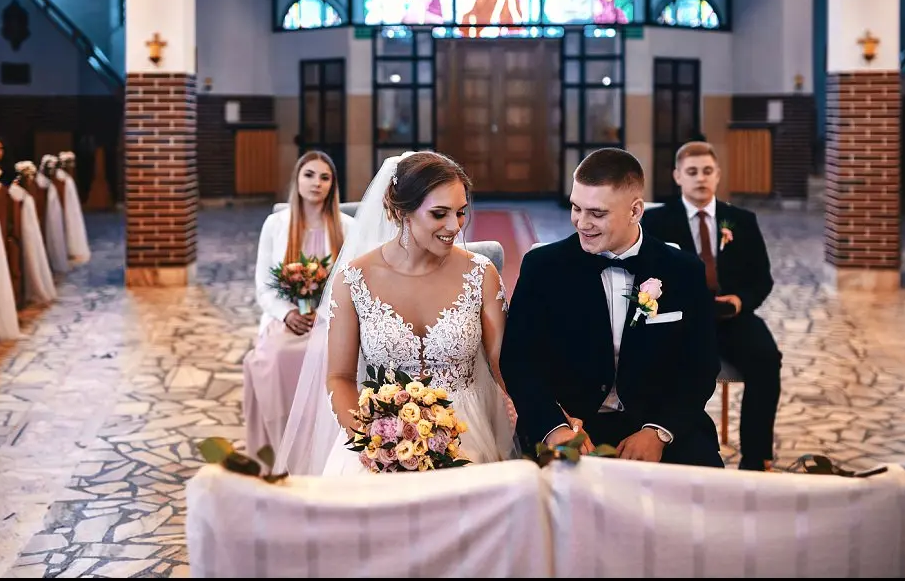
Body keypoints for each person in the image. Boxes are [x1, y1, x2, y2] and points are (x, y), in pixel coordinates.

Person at [275, 151, 516, 476]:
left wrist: (532, 412)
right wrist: (372, 439)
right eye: (439, 214)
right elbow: (340, 377)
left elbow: (505, 365)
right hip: (380, 429)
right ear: (401, 211)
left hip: (465, 429)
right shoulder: (354, 280)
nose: (454, 226)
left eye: (460, 213)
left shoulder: (481, 274)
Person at [502, 147, 723, 468]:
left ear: (635, 211)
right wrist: (554, 428)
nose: (582, 222)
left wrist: (659, 432)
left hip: (659, 421)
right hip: (570, 423)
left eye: (597, 213)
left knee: (706, 496)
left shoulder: (683, 270)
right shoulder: (543, 267)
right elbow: (518, 362)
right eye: (576, 208)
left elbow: (701, 366)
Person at [641, 141, 780, 471]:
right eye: (692, 172)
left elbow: (762, 278)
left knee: (766, 359)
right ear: (678, 176)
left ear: (717, 175)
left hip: (730, 317)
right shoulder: (657, 221)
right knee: (659, 365)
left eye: (707, 171)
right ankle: (673, 441)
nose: (700, 179)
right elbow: (646, 275)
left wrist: (741, 300)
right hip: (682, 319)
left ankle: (756, 456)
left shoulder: (741, 220)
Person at [242, 152, 355, 456]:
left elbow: (349, 282)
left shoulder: (346, 227)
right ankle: (281, 447)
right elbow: (264, 286)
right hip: (285, 318)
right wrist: (288, 313)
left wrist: (321, 314)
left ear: (332, 185)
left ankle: (317, 447)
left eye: (324, 177)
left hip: (328, 321)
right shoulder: (276, 224)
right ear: (297, 179)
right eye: (309, 175)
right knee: (276, 357)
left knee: (322, 355)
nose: (316, 183)